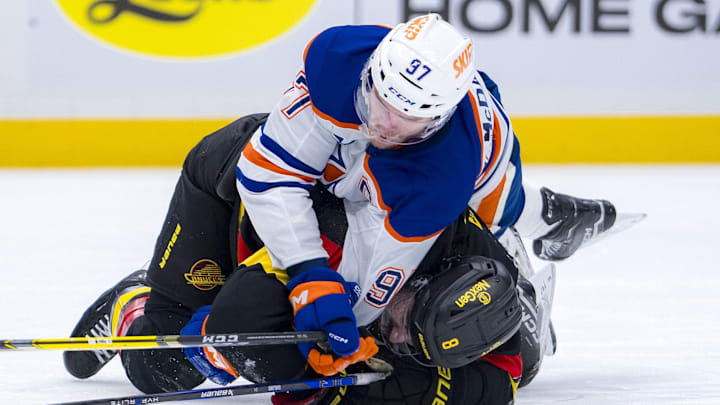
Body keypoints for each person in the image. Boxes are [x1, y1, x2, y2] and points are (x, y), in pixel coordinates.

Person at [63, 13, 622, 404]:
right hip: (234, 176)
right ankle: (138, 298)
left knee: (501, 230)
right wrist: (308, 276)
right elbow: (267, 172)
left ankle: (533, 246)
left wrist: (344, 316)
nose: (383, 122)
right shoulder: (341, 62)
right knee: (159, 367)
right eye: (380, 99)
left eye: (407, 120)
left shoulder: (439, 178)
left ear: (440, 116)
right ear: (374, 69)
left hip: (459, 188)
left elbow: (368, 283)